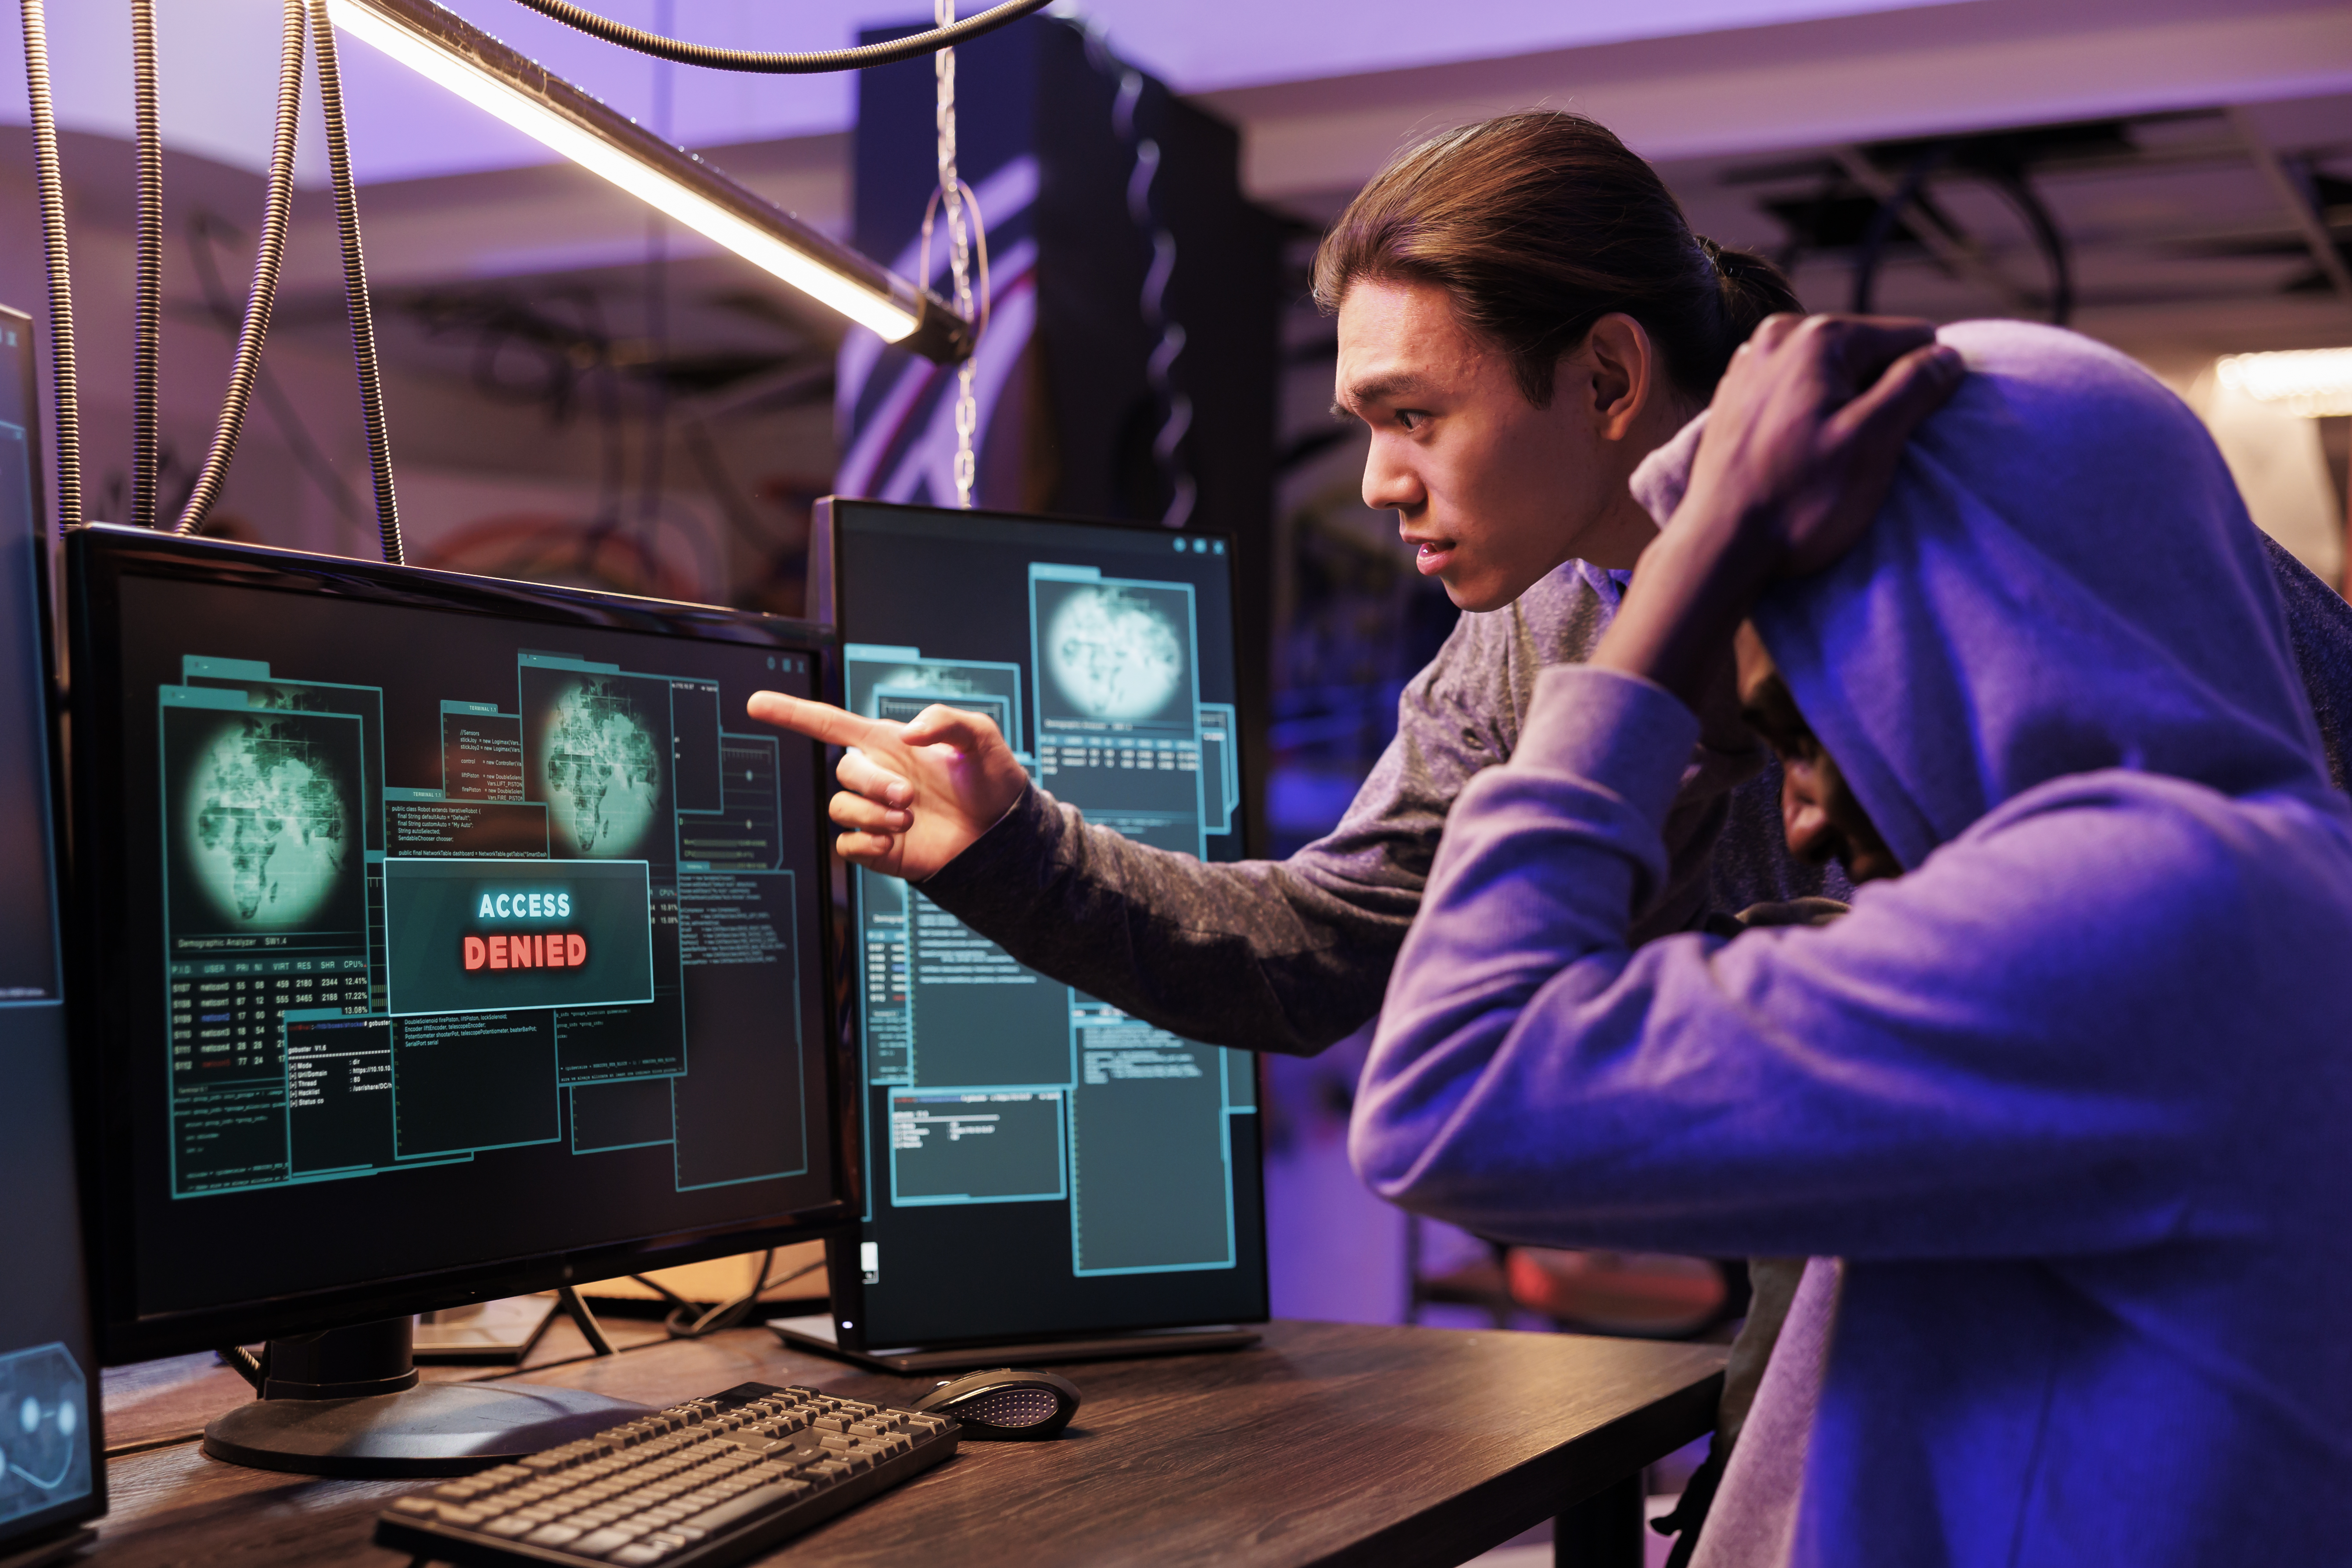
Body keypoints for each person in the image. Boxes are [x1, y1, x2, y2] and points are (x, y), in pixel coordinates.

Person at [1349, 313, 2352, 1563]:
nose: (1804, 820)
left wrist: (1697, 561)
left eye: (1814, 725)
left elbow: (1452, 1093)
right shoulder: (2275, 887)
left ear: (1994, 643)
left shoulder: (2161, 910)